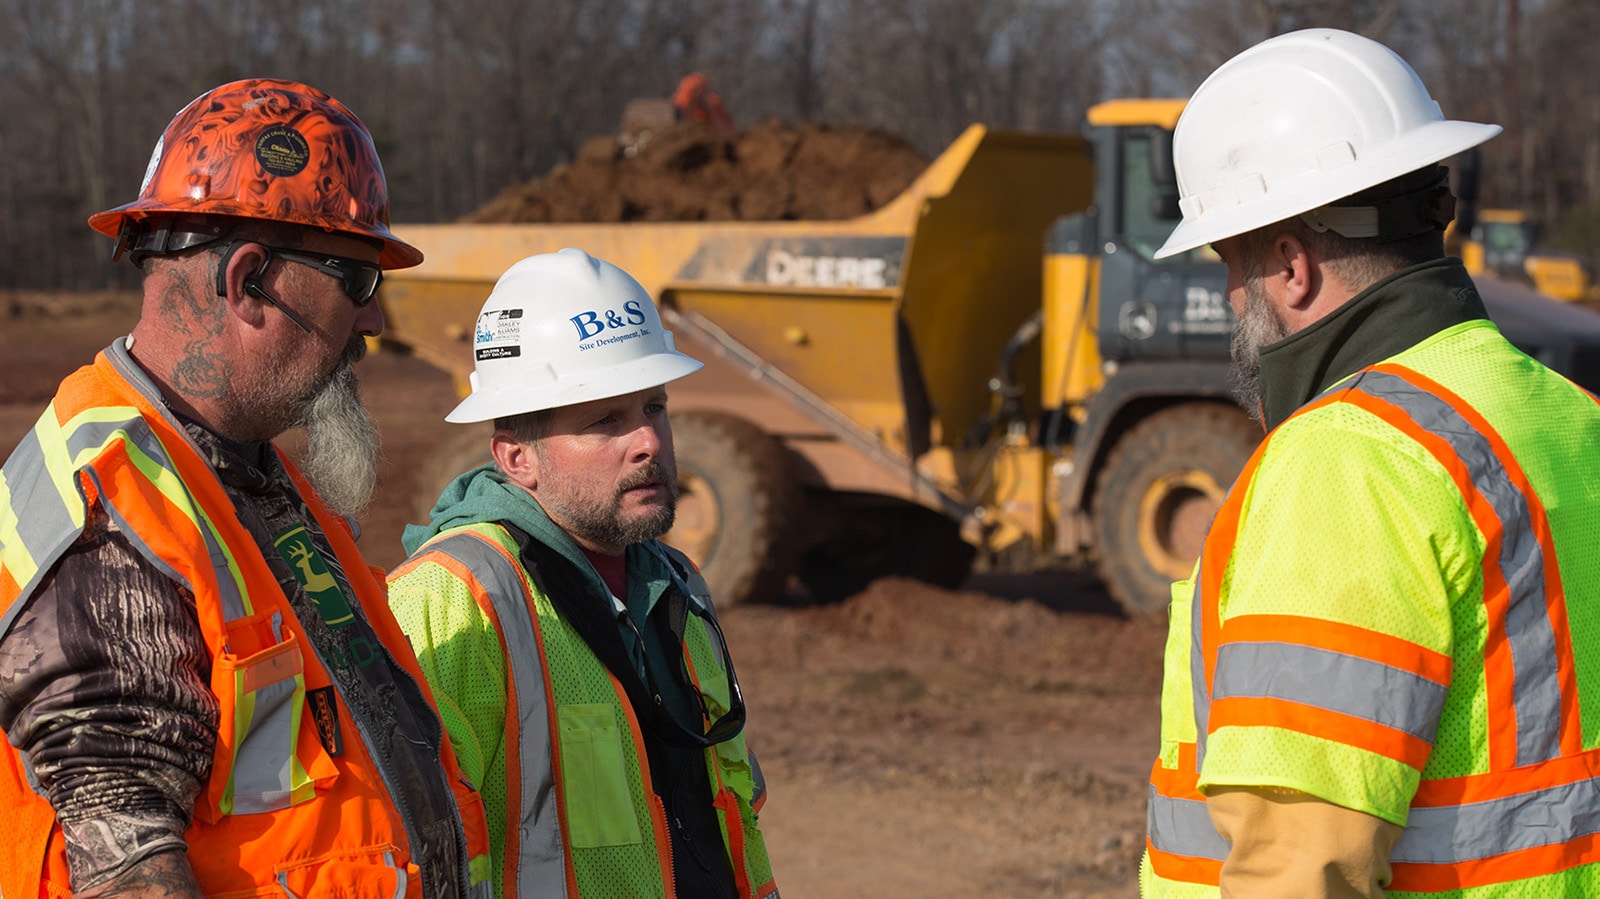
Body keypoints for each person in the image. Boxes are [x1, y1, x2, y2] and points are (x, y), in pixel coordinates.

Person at [0, 79, 491, 897]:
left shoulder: (242, 468)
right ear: (251, 280)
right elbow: (127, 875)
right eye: (359, 282)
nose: (372, 324)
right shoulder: (112, 515)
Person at [1141, 28, 1600, 897]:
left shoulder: (1347, 461)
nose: (1231, 297)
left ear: (1289, 264)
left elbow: (1300, 866)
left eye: (1230, 263)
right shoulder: (1569, 420)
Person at [387, 248, 779, 899]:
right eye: (605, 420)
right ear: (517, 457)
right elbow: (417, 854)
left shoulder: (673, 582)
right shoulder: (454, 598)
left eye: (654, 406)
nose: (649, 440)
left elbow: (729, 808)